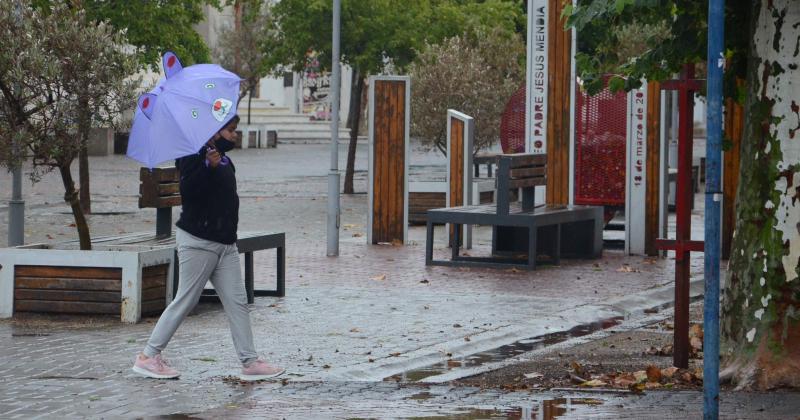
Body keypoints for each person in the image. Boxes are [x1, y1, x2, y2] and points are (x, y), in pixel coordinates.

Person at [132, 115, 284, 381]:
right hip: (199, 241)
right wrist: (206, 167)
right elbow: (188, 191)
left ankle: (250, 362)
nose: (235, 135)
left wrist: (214, 164)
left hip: (225, 243)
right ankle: (148, 356)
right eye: (231, 130)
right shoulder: (193, 155)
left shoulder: (222, 157)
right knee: (186, 300)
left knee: (237, 303)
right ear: (214, 132)